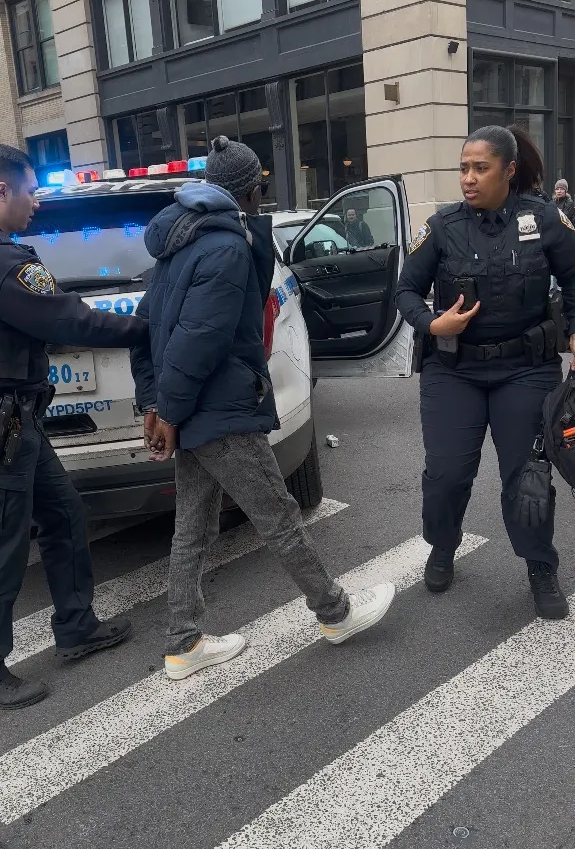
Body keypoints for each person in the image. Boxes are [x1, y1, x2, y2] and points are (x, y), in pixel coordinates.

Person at [130, 136, 395, 680]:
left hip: (193, 410)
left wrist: (157, 404)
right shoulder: (224, 248)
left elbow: (148, 331)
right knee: (277, 515)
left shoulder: (177, 242)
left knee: (193, 524)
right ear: (252, 190)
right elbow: (198, 342)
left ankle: (184, 643)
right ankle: (335, 613)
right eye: (260, 189)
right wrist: (170, 413)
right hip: (218, 409)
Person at [395, 125, 575, 620]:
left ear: (509, 171)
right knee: (448, 472)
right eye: (463, 168)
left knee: (526, 477)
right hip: (454, 372)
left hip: (526, 369)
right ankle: (442, 546)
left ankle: (540, 565)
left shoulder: (544, 219)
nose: (468, 179)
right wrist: (433, 321)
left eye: (480, 168)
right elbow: (405, 289)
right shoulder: (444, 226)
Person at [0, 145, 149, 709]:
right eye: (29, 190)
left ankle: (76, 627)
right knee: (6, 546)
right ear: (1, 191)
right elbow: (68, 316)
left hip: (20, 424)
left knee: (62, 513)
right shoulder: (7, 265)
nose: (35, 201)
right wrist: (143, 329)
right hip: (6, 426)